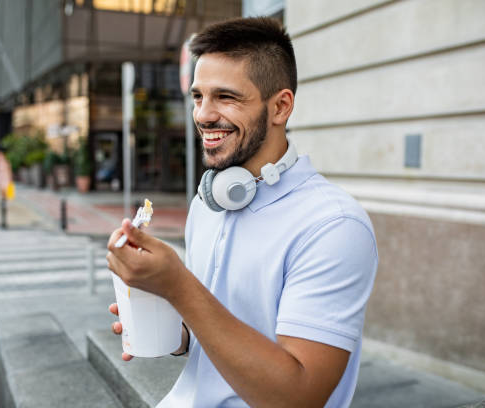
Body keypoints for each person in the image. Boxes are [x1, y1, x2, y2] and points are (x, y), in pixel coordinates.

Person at [107, 17, 378, 408]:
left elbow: (299, 397)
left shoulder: (334, 226)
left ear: (280, 107)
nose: (202, 114)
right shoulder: (208, 203)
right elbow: (218, 329)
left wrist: (180, 286)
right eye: (198, 96)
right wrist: (169, 323)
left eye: (226, 97)